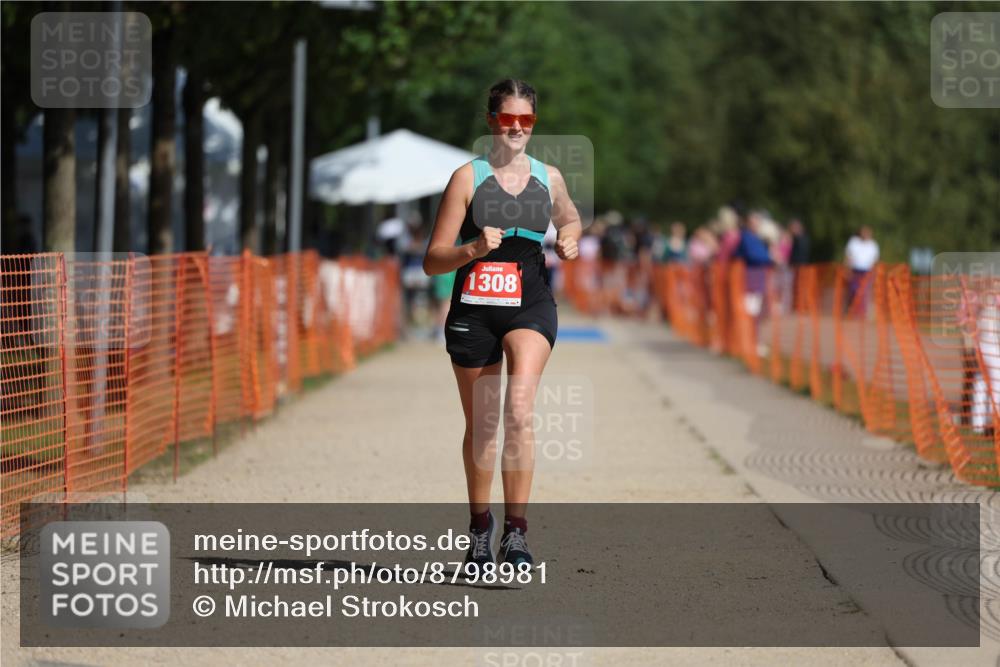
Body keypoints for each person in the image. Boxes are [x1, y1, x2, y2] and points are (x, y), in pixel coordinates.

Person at [423, 79, 582, 571]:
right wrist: (472, 249)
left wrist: (569, 237)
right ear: (492, 121)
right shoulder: (466, 178)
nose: (516, 129)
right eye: (508, 119)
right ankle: (479, 528)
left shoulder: (548, 176)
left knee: (517, 409)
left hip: (529, 302)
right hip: (473, 307)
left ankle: (516, 534)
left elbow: (571, 217)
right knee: (484, 425)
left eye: (526, 121)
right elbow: (432, 260)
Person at [844, 225, 879, 315]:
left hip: (867, 272)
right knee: (853, 290)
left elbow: (875, 261)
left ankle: (861, 313)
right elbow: (848, 257)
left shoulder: (873, 245)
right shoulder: (854, 242)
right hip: (855, 270)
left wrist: (874, 273)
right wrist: (848, 269)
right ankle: (851, 309)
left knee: (863, 292)